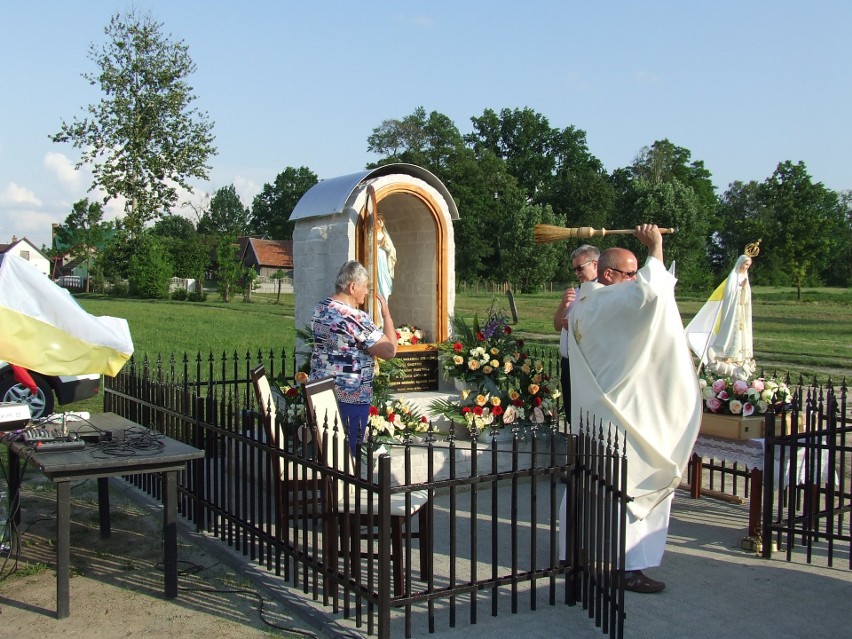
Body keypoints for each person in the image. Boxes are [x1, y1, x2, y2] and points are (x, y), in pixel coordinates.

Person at [559, 224, 702, 593]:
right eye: (629, 272)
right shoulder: (609, 301)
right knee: (637, 486)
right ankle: (629, 566)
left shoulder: (583, 307)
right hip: (627, 416)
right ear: (609, 275)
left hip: (593, 416)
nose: (635, 277)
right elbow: (653, 294)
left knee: (588, 485)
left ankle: (573, 553)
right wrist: (655, 245)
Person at [309, 260, 397, 455]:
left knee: (325, 454)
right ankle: (344, 485)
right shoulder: (356, 318)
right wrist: (387, 316)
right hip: (350, 396)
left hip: (320, 389)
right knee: (346, 457)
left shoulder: (320, 308)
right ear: (353, 287)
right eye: (365, 287)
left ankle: (327, 485)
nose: (366, 293)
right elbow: (389, 351)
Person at [552, 245, 599, 423]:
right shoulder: (575, 293)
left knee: (586, 416)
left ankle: (583, 448)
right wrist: (563, 305)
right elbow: (557, 326)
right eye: (574, 269)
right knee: (572, 413)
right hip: (567, 363)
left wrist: (572, 327)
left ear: (595, 264)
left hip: (586, 364)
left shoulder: (602, 293)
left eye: (580, 268)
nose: (577, 273)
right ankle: (574, 447)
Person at [376, 215, 397, 301]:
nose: (379, 222)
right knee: (377, 281)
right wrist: (379, 244)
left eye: (380, 220)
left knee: (385, 284)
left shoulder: (384, 234)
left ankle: (384, 303)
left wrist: (384, 245)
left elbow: (392, 249)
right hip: (375, 259)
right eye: (377, 220)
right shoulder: (372, 233)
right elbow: (369, 247)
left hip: (383, 259)